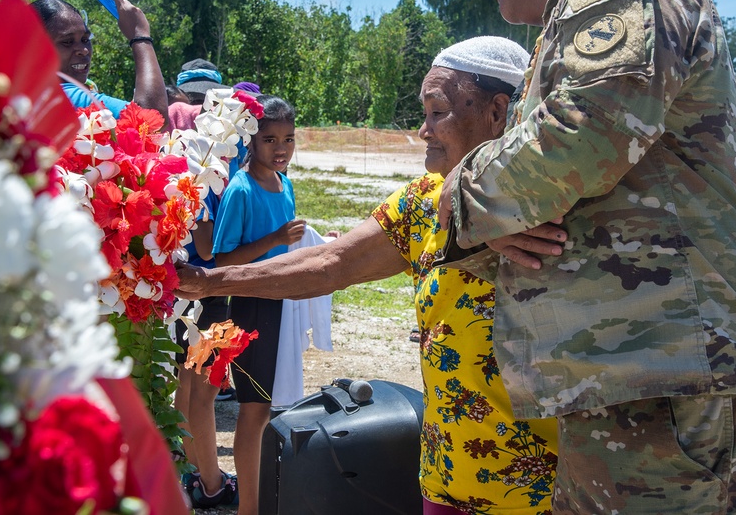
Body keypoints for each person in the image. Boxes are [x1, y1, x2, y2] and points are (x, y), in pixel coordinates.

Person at [435, 0, 736, 513]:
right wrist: (503, 221)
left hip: (676, 385)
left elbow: (577, 140)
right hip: (641, 381)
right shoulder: (588, 7)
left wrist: (460, 199)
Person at [178, 37, 563, 515]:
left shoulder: (557, 207)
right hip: (446, 478)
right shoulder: (425, 200)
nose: (423, 130)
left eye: (437, 112)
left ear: (498, 112)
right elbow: (333, 262)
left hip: (539, 489)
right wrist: (209, 282)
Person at [210, 94, 306, 515]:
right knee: (253, 409)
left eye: (288, 139)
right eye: (269, 139)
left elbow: (287, 246)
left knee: (269, 408)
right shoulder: (240, 189)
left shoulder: (285, 185)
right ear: (251, 139)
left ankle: (261, 501)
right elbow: (222, 260)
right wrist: (275, 240)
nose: (280, 148)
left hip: (280, 303)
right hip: (249, 309)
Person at [173, 190, 238, 508]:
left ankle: (194, 471)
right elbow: (206, 247)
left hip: (184, 284)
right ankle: (212, 483)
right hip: (206, 286)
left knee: (186, 384)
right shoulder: (205, 183)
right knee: (205, 392)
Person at [29, 0, 171, 125]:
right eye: (67, 42)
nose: (84, 50)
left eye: (85, 40)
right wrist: (140, 35)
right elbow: (153, 120)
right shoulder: (61, 96)